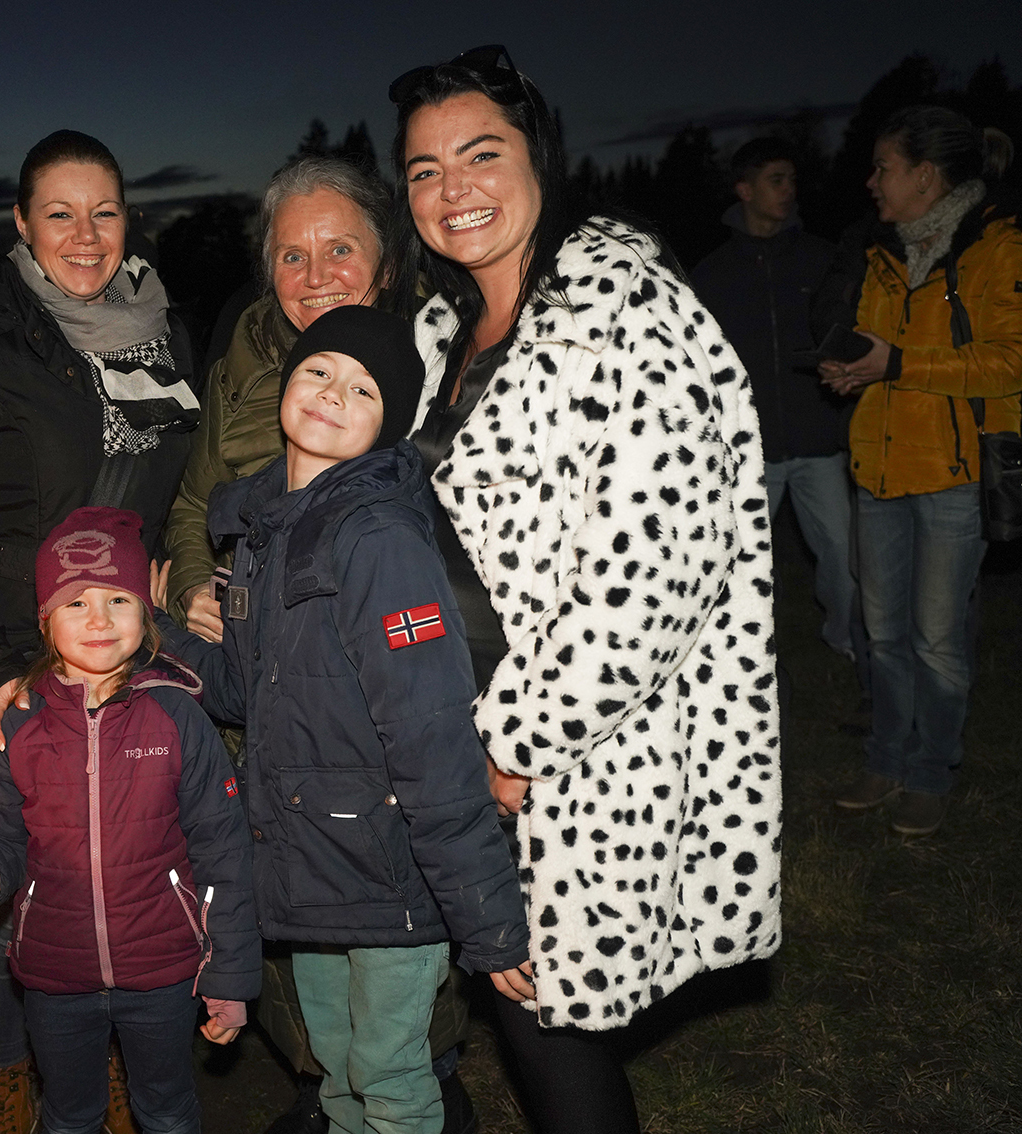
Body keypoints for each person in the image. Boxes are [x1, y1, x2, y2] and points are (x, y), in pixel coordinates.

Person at [389, 45, 782, 1133]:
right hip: (459, 728)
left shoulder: (626, 307)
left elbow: (654, 574)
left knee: (551, 1032)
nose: (452, 189)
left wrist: (512, 748)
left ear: (540, 159)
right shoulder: (439, 336)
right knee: (527, 1023)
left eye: (480, 155)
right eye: (423, 170)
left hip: (576, 761)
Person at [148, 305, 528, 1134]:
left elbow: (432, 737)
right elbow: (251, 692)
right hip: (310, 867)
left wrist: (490, 920)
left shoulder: (378, 540)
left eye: (363, 389)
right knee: (337, 1077)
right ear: (286, 380)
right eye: (319, 369)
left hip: (392, 875)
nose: (331, 393)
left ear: (389, 422)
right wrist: (155, 634)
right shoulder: (264, 531)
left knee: (389, 1079)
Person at [0, 129, 200, 1134]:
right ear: (21, 224)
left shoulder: (163, 330)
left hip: (128, 655)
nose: (86, 234)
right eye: (59, 213)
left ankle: (106, 1064)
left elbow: (180, 487)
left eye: (105, 211)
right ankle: (4, 1074)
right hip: (19, 662)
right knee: (14, 876)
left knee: (119, 869)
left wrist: (177, 575)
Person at [0, 506, 259, 1134]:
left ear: (145, 615)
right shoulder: (17, 722)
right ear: (44, 621)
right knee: (68, 1114)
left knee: (167, 1110)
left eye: (118, 599)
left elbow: (223, 853)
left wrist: (228, 971)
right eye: (75, 604)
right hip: (54, 970)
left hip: (162, 971)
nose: (98, 620)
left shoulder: (177, 720)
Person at [822, 107, 1021, 836]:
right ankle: (885, 761)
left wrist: (897, 365)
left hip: (950, 476)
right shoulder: (884, 251)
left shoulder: (997, 248)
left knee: (936, 640)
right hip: (876, 468)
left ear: (925, 176)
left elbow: (1010, 362)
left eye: (883, 168)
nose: (871, 181)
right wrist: (857, 372)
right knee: (881, 632)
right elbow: (883, 351)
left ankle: (930, 771)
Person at [167, 155, 390, 643]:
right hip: (256, 669)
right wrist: (191, 589)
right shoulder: (242, 368)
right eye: (293, 257)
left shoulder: (439, 355)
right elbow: (191, 504)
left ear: (387, 261)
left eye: (340, 250)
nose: (316, 278)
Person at [691, 138, 864, 673]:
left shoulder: (821, 258)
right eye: (776, 180)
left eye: (792, 180)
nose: (789, 191)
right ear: (745, 189)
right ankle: (738, 655)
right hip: (748, 452)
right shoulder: (712, 272)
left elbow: (849, 334)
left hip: (816, 441)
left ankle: (849, 640)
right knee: (740, 562)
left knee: (842, 555)